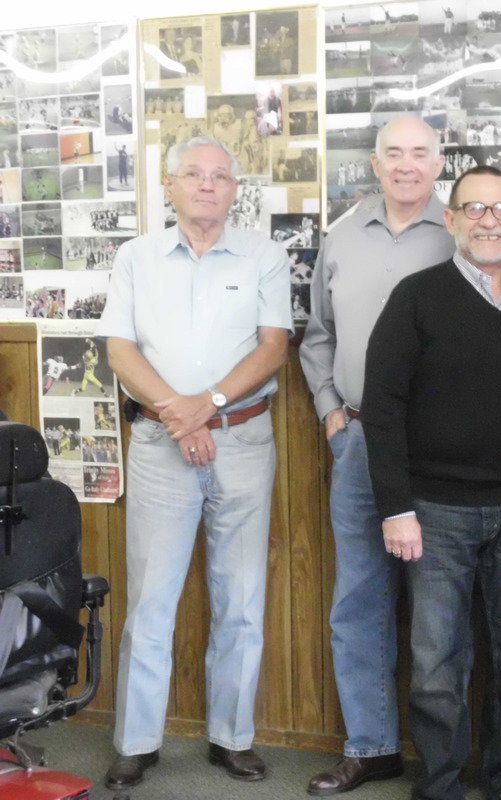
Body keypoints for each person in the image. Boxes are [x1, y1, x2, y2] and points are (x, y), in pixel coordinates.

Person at [97, 135, 292, 790]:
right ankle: (136, 741)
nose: (207, 185)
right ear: (170, 185)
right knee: (152, 598)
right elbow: (120, 350)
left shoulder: (265, 254)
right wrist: (177, 414)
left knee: (241, 597)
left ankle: (232, 738)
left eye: (220, 176)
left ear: (236, 190)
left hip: (241, 440)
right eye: (194, 175)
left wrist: (204, 406)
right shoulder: (135, 257)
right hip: (159, 445)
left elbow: (272, 349)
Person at [361, 165, 501, 800]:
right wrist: (396, 508)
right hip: (434, 509)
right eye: (474, 209)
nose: (489, 221)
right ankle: (441, 785)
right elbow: (383, 407)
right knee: (437, 666)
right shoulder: (416, 297)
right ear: (450, 221)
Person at [300, 116, 455, 796]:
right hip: (360, 440)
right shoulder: (341, 237)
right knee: (359, 600)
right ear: (374, 162)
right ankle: (371, 746)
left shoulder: (463, 234)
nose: (406, 164)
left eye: (420, 153)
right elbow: (316, 336)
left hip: (440, 448)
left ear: (439, 161)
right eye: (394, 152)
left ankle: (445, 759)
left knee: (440, 607)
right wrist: (332, 412)